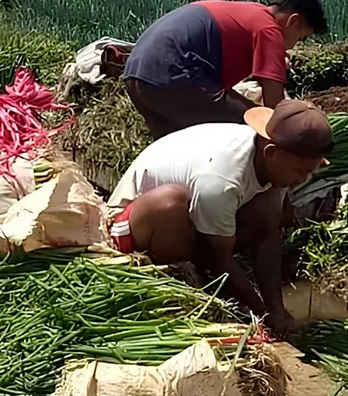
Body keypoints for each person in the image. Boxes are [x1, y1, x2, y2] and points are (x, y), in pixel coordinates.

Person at [106, 99, 333, 337]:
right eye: (301, 172)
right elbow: (220, 259)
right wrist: (261, 313)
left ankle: (203, 269)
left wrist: (277, 309)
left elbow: (267, 238)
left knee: (267, 210)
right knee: (170, 203)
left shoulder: (273, 160)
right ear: (272, 152)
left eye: (311, 171)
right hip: (131, 225)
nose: (304, 179)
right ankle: (183, 281)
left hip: (196, 216)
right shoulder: (221, 179)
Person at [122, 0, 328, 139]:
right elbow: (274, 108)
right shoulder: (269, 30)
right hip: (173, 77)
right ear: (294, 21)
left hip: (136, 74)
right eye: (301, 38)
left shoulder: (250, 13)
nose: (292, 47)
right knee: (255, 124)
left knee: (174, 145)